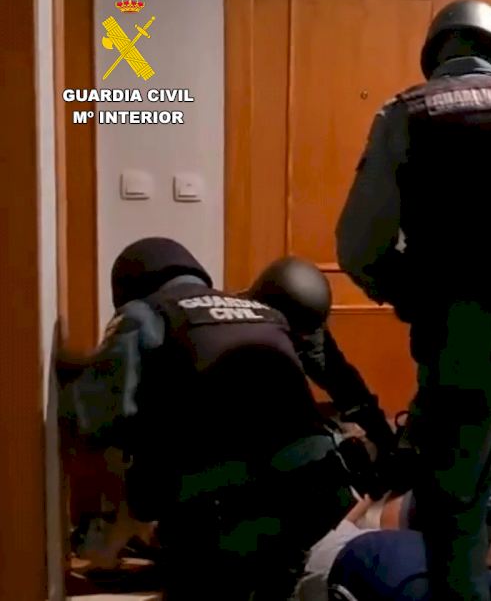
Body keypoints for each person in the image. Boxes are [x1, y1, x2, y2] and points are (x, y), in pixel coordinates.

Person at [336, 0, 491, 601]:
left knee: (456, 516)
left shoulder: (406, 113)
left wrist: (414, 296)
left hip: (458, 341)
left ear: (435, 53)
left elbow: (358, 249)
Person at [59, 237, 355, 601]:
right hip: (317, 491)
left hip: (227, 507)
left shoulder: (145, 312)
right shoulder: (263, 310)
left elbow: (101, 417)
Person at [246, 255, 405, 498]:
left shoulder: (306, 322)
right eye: (298, 335)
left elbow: (344, 384)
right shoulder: (242, 335)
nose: (304, 340)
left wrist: (384, 441)